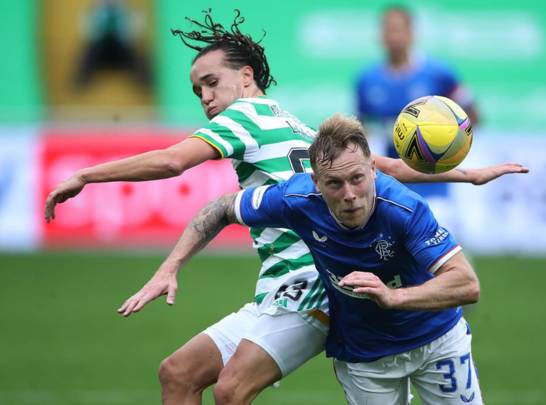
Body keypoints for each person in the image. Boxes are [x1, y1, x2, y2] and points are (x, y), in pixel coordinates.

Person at [45, 10, 516, 405]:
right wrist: (464, 174)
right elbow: (380, 165)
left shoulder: (243, 116)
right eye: (197, 90)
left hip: (311, 281)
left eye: (211, 82)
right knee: (178, 374)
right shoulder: (291, 122)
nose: (205, 97)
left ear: (246, 77)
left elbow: (172, 161)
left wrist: (86, 175)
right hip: (282, 286)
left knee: (230, 390)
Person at [138, 113, 484, 404]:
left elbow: (466, 284)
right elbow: (222, 208)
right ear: (315, 182)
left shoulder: (404, 209)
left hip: (437, 341)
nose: (349, 194)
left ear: (373, 170)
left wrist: (393, 297)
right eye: (335, 184)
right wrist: (170, 267)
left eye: (357, 179)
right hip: (366, 356)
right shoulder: (297, 199)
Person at [356, 5, 479, 216]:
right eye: (387, 29)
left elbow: (473, 115)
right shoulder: (366, 79)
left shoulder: (440, 73)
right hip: (393, 185)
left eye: (398, 29)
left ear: (412, 33)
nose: (393, 36)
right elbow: (361, 127)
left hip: (435, 185)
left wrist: (448, 140)